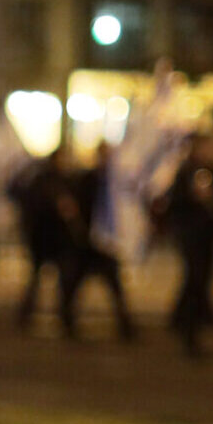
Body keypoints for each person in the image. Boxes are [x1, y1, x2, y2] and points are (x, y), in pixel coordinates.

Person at [147, 129, 213, 356]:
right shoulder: (185, 172)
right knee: (194, 279)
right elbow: (174, 205)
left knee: (202, 279)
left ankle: (181, 318)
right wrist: (192, 198)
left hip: (208, 237)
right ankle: (188, 330)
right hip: (190, 236)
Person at [59, 141, 134, 341]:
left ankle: (125, 326)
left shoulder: (113, 182)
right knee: (74, 284)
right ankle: (67, 321)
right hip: (87, 241)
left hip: (106, 242)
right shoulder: (88, 179)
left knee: (115, 286)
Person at [6, 152, 74, 334]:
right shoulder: (50, 183)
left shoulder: (42, 180)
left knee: (45, 279)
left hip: (44, 239)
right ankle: (63, 317)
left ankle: (54, 316)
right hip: (47, 239)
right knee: (50, 279)